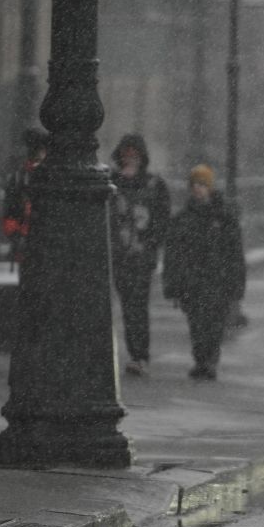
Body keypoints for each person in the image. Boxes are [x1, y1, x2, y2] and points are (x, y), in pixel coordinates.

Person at [163, 165, 244, 380]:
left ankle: (209, 360)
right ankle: (201, 359)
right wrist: (174, 283)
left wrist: (235, 283)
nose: (198, 189)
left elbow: (234, 253)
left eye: (202, 185)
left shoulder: (223, 217)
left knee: (214, 323)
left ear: (209, 187)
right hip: (194, 282)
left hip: (216, 280)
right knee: (197, 324)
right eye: (195, 185)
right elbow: (174, 254)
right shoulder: (184, 219)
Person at [109, 133, 171, 377]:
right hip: (120, 254)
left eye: (135, 154)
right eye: (127, 154)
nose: (130, 159)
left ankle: (139, 354)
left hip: (141, 256)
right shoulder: (113, 184)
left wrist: (151, 243)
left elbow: (162, 219)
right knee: (128, 304)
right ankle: (136, 353)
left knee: (137, 304)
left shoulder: (154, 185)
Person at [0, 128, 46, 266]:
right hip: (31, 236)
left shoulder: (18, 177)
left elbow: (10, 210)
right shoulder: (20, 177)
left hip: (28, 236)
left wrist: (15, 234)